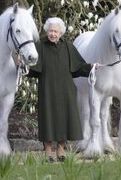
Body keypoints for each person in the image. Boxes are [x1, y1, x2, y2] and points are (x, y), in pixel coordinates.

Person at [27, 17, 99, 163]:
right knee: (48, 119)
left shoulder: (68, 46)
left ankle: (61, 149)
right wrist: (22, 66)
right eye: (50, 31)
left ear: (61, 33)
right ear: (47, 31)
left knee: (65, 119)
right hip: (46, 89)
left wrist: (92, 67)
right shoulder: (39, 45)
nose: (52, 34)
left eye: (55, 31)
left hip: (66, 90)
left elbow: (78, 67)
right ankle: (48, 151)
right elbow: (32, 68)